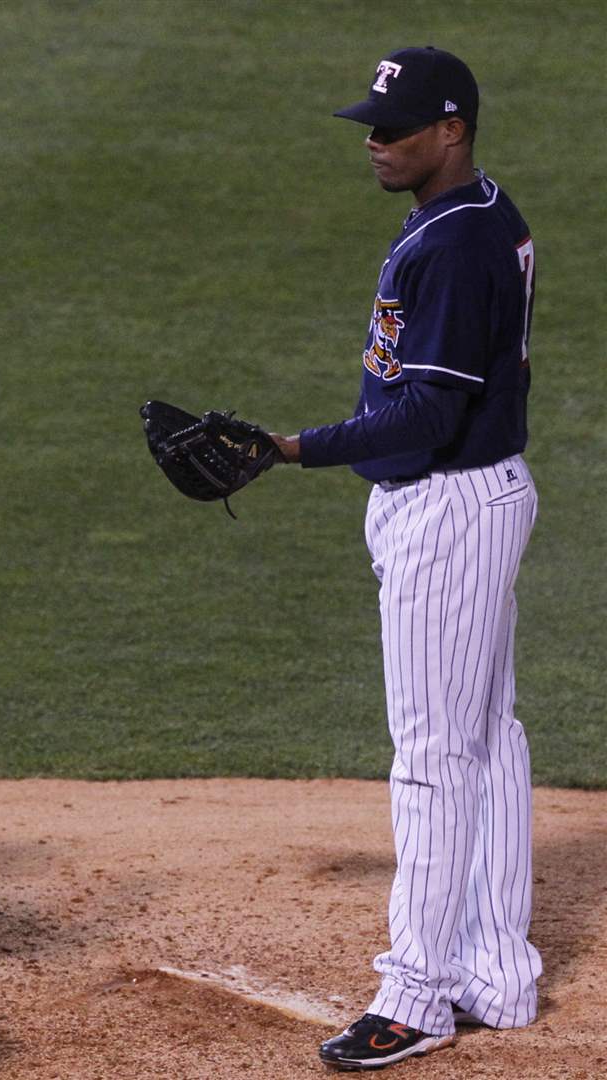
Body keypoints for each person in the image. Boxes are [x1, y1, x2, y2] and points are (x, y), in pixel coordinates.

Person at [267, 48, 541, 1070]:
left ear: (452, 130)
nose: (376, 143)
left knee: (433, 755)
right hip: (478, 495)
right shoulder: (474, 214)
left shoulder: (458, 243)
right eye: (372, 126)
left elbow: (425, 413)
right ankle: (496, 971)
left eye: (396, 128)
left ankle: (417, 993)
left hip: (450, 506)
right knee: (485, 738)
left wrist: (290, 448)